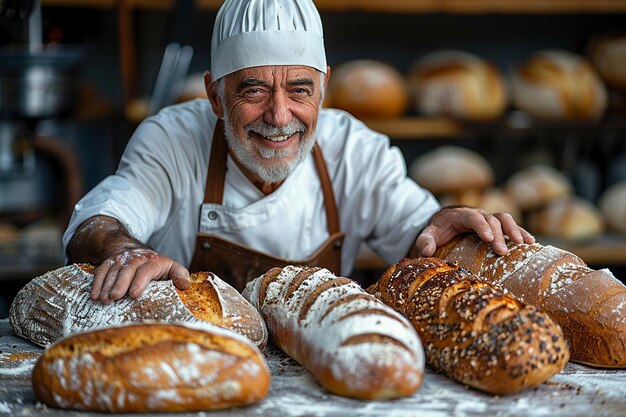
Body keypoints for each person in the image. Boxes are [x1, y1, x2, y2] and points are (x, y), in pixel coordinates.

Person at [63, 0, 534, 305]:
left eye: (300, 89)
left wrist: (446, 226)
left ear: (324, 88)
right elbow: (98, 221)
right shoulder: (171, 140)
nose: (280, 116)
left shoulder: (355, 151)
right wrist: (124, 251)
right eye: (253, 90)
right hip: (194, 369)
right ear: (214, 96)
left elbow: (420, 236)